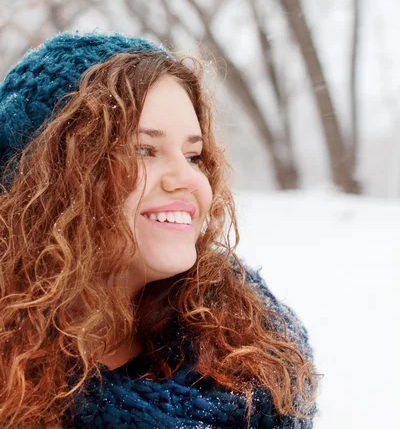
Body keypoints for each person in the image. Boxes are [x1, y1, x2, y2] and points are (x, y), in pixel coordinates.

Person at [0, 32, 319, 428]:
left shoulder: (251, 356)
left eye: (193, 155)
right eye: (143, 150)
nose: (185, 179)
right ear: (47, 180)